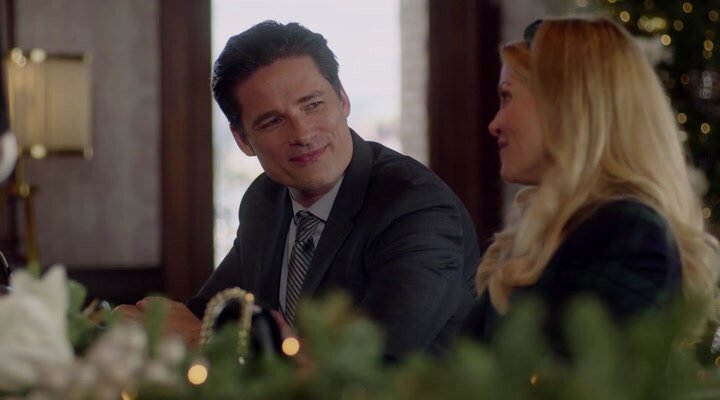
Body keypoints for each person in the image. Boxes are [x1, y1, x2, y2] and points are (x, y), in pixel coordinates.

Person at [118, 20, 480, 360]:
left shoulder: (416, 208)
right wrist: (140, 323)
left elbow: (369, 361)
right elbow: (207, 311)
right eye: (273, 121)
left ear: (343, 100)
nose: (303, 134)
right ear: (243, 140)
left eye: (313, 105)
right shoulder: (265, 199)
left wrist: (205, 338)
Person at [463, 18, 719, 346]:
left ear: (568, 105)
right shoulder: (558, 235)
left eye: (507, 96)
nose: (494, 123)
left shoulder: (629, 233)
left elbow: (586, 373)